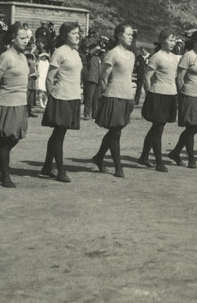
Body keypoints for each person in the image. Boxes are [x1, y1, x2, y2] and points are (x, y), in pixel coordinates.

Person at [0, 23, 31, 188]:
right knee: (7, 141)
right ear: (12, 38)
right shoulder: (6, 56)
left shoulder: (22, 57)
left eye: (27, 38)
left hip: (20, 103)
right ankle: (5, 176)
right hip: (7, 104)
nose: (26, 41)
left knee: (9, 141)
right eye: (22, 38)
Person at [41, 22, 83, 183]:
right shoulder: (60, 52)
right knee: (59, 134)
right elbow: (49, 79)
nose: (77, 35)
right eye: (73, 33)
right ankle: (60, 171)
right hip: (61, 97)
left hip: (73, 97)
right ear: (65, 35)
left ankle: (46, 166)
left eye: (78, 33)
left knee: (59, 133)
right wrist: (53, 98)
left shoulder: (75, 52)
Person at [92, 24, 136, 178]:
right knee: (115, 132)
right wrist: (104, 95)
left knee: (115, 131)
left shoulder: (131, 55)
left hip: (127, 97)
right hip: (113, 96)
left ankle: (98, 157)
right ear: (119, 35)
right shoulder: (112, 54)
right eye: (128, 34)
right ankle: (118, 167)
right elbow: (104, 78)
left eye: (132, 35)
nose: (131, 37)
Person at [138, 29, 179, 173]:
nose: (173, 43)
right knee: (158, 129)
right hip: (158, 94)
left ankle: (144, 157)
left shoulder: (174, 58)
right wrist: (150, 95)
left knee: (157, 128)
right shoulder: (156, 57)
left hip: (170, 95)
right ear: (162, 40)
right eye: (170, 40)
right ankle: (159, 162)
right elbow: (146, 78)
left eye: (174, 40)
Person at [168, 30, 197, 169]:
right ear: (195, 42)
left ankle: (175, 152)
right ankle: (191, 158)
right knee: (191, 127)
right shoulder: (188, 56)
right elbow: (179, 77)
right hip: (190, 95)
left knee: (195, 127)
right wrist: (182, 94)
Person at [83, 41, 103, 120]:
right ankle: (87, 114)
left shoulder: (98, 58)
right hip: (91, 79)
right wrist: (96, 47)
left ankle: (95, 114)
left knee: (96, 99)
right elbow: (90, 52)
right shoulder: (89, 56)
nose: (97, 51)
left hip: (98, 80)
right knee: (89, 98)